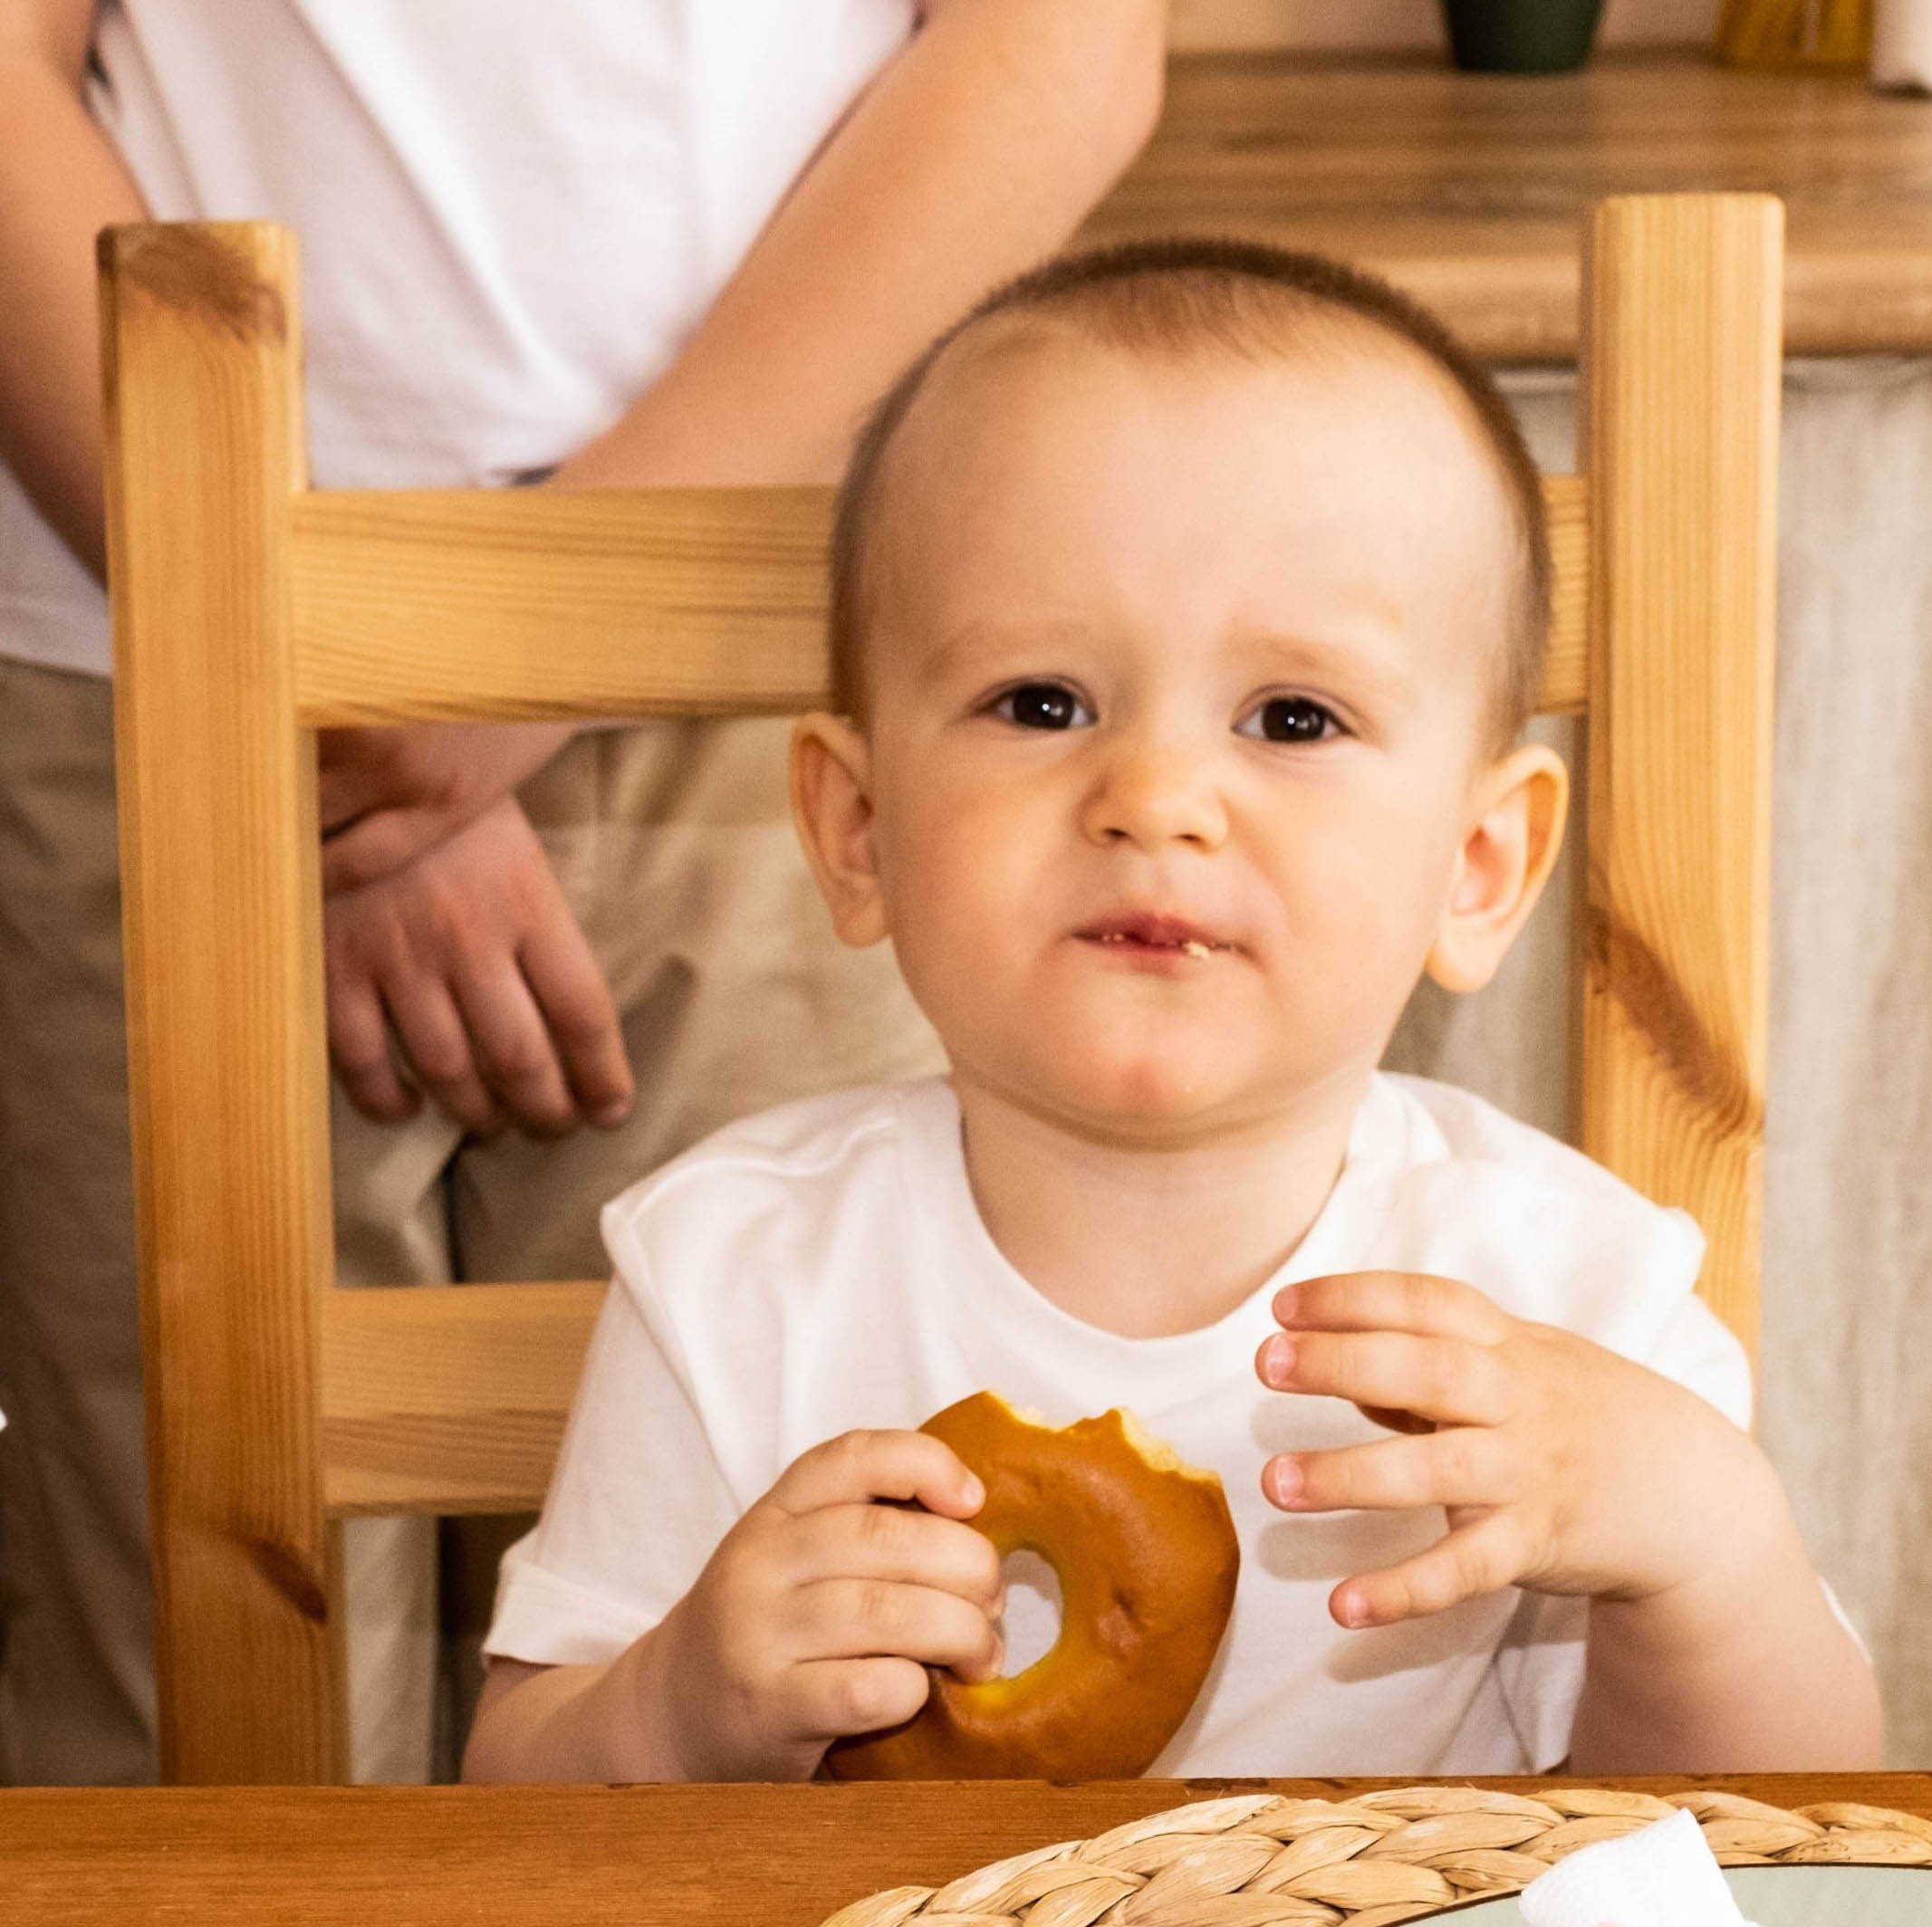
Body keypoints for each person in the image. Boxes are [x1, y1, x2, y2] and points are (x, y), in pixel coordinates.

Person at [462, 241, 1883, 1782]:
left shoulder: (1564, 1303)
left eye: (1291, 717)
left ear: (1476, 869)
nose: (1155, 798)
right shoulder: (732, 1276)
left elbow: (1778, 1841)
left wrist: (1706, 1550)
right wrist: (675, 1707)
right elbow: (519, 1803)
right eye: (1042, 703)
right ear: (856, 828)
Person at [0, 0, 1168, 1782]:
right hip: (144, 644)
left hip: (772, 645)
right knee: (188, 1727)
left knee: (806, 1689)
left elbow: (1057, 49)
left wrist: (495, 654)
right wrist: (324, 659)